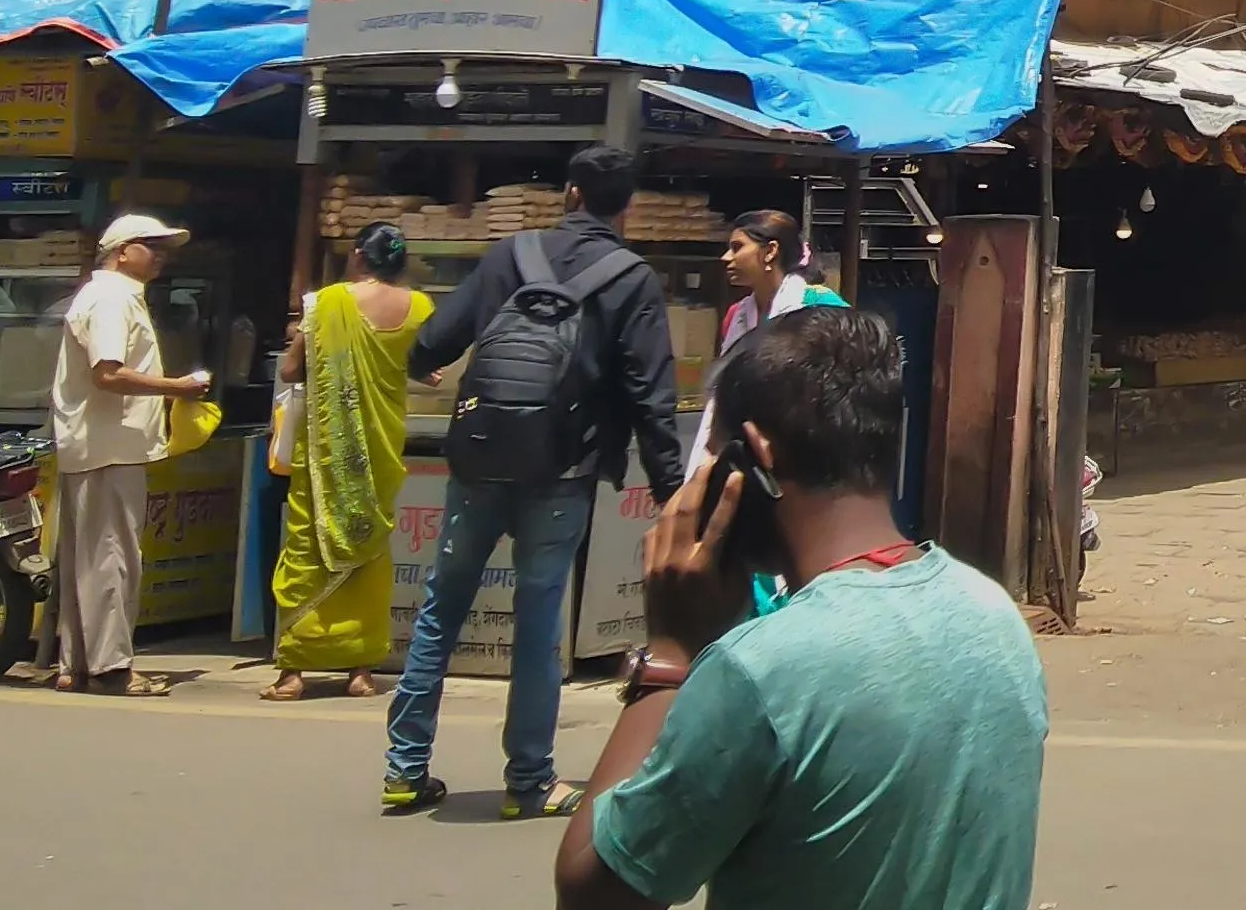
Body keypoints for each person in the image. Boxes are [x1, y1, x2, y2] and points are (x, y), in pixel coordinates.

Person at [558, 307, 1047, 910]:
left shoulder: (760, 670)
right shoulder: (991, 614)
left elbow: (591, 888)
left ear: (755, 457)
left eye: (713, 456)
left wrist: (669, 655)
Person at [386, 145, 686, 820]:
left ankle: (405, 768)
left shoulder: (507, 256)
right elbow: (651, 395)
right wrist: (672, 490)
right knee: (538, 618)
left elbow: (430, 344)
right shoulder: (631, 279)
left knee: (442, 607)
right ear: (626, 206)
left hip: (480, 460)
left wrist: (431, 368)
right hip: (564, 468)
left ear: (571, 193)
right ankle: (528, 782)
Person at [48, 213, 211, 696]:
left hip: (100, 443)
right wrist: (177, 387)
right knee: (113, 559)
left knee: (92, 559)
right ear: (122, 251)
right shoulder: (113, 298)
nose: (159, 255)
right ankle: (110, 668)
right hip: (108, 444)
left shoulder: (110, 296)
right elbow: (108, 374)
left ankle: (77, 664)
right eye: (150, 245)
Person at [268, 223, 425, 699]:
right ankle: (360, 672)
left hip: (325, 452)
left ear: (358, 256)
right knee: (369, 552)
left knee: (307, 551)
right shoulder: (419, 307)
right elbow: (418, 364)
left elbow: (290, 369)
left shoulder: (327, 302)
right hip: (378, 449)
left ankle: (293, 673)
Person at [713, 211, 844, 365]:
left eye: (737, 247)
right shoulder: (736, 314)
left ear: (770, 251)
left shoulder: (821, 304)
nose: (726, 257)